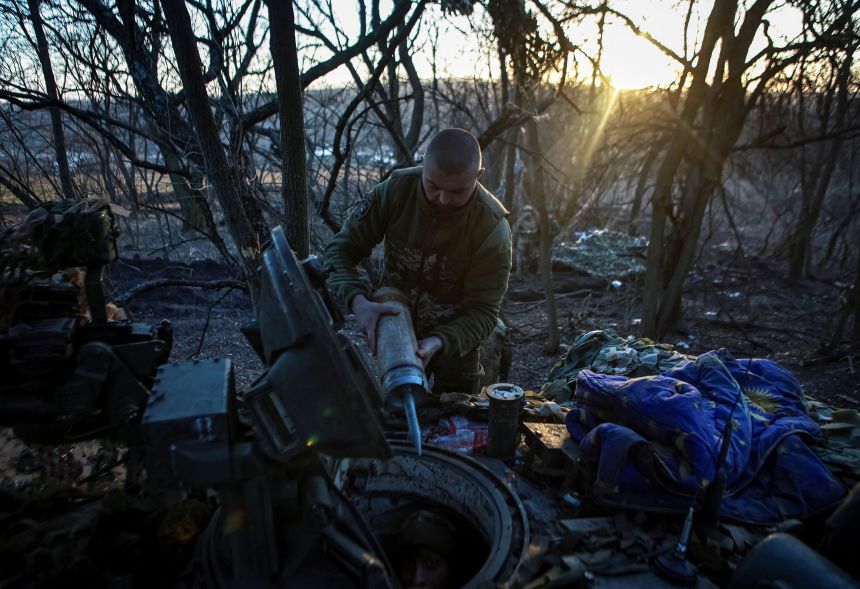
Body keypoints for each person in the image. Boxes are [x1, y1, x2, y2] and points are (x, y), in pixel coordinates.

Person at [324, 128, 512, 395]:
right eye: (433, 186)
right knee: (395, 409)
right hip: (394, 329)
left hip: (457, 342)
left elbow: (483, 312)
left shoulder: (491, 228)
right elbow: (339, 251)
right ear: (423, 164)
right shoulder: (396, 192)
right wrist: (359, 302)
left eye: (458, 191)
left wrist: (438, 341)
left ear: (478, 176)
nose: (443, 200)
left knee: (454, 414)